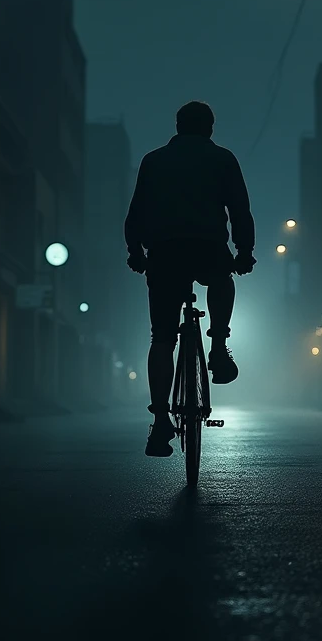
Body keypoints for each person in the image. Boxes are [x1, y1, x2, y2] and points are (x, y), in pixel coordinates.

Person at [125, 101, 256, 457]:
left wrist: (136, 252)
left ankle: (161, 420)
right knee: (221, 278)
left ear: (178, 126)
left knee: (162, 338)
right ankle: (216, 346)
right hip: (207, 247)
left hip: (165, 253)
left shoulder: (153, 160)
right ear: (210, 128)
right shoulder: (223, 159)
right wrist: (244, 253)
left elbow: (136, 210)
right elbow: (240, 209)